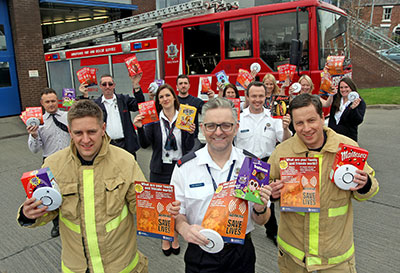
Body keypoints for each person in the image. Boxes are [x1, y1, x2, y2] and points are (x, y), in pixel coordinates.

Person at [18, 99, 181, 272]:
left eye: (92, 131)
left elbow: (142, 205)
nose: (86, 139)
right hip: (77, 267)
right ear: (70, 132)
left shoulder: (125, 161)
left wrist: (164, 212)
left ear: (103, 129)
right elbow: (48, 209)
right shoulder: (53, 165)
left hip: (121, 267)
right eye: (78, 133)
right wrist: (29, 214)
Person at [269, 93, 379, 273]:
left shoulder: (346, 149)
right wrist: (271, 194)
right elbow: (264, 187)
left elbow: (371, 188)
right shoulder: (282, 152)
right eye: (299, 123)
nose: (306, 128)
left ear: (322, 118)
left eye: (311, 120)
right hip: (294, 259)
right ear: (293, 124)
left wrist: (365, 183)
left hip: (335, 260)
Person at [171, 97, 273, 273]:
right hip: (200, 251)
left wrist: (260, 208)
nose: (218, 132)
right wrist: (184, 228)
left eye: (226, 125)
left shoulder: (252, 166)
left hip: (240, 253)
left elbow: (262, 220)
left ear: (236, 128)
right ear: (203, 128)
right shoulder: (185, 167)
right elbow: (176, 213)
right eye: (211, 126)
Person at [133, 84, 195, 256]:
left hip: (180, 167)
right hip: (160, 168)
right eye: (161, 97)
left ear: (174, 97)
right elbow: (145, 144)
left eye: (167, 95)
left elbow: (189, 147)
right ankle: (165, 237)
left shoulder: (184, 117)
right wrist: (139, 128)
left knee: (176, 204)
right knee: (161, 205)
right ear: (158, 101)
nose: (165, 99)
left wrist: (190, 133)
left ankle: (174, 235)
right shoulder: (153, 119)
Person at [234, 81, 291, 246]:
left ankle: (272, 231)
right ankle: (240, 232)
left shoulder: (275, 116)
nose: (257, 100)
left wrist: (286, 128)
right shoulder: (238, 117)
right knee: (241, 199)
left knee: (266, 200)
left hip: (266, 164)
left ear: (266, 96)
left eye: (260, 96)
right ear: (247, 97)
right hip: (245, 164)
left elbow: (285, 141)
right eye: (253, 96)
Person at [26, 88, 70, 238]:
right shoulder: (38, 123)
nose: (51, 104)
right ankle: (56, 224)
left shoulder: (68, 116)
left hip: (70, 159)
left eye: (53, 101)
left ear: (58, 101)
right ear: (42, 103)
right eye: (48, 102)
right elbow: (34, 149)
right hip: (50, 163)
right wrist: (33, 135)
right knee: (52, 194)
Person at [79, 73, 145, 157]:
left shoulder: (123, 99)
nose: (107, 86)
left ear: (114, 85)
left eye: (110, 84)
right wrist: (85, 96)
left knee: (128, 169)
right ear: (100, 86)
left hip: (126, 145)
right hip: (106, 146)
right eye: (104, 84)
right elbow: (84, 114)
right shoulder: (96, 104)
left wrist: (136, 85)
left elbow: (140, 105)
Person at [328, 77, 366, 142]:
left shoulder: (359, 102)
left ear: (351, 88)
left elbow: (358, 121)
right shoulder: (336, 98)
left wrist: (353, 109)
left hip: (348, 139)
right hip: (333, 137)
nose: (343, 90)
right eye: (341, 87)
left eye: (346, 87)